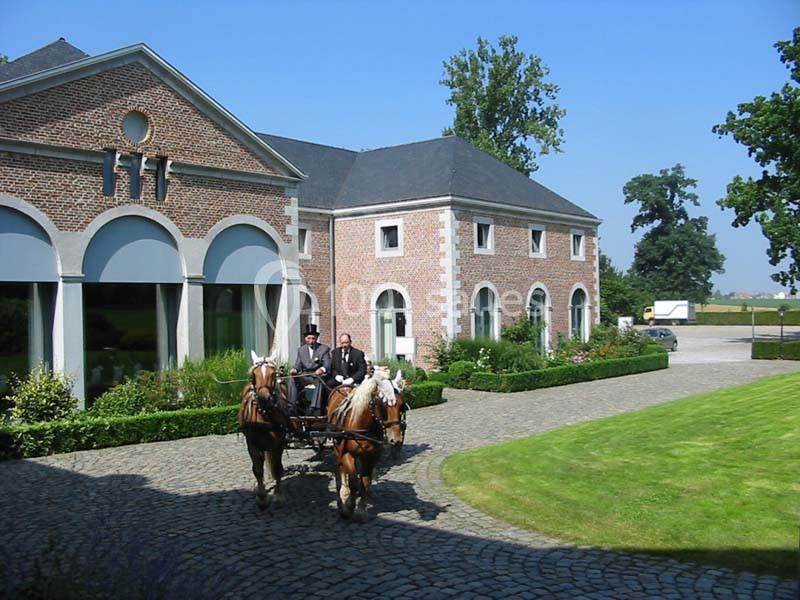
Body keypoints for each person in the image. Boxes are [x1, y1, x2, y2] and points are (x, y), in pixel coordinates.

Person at [288, 323, 331, 416]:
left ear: (316, 338)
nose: (311, 341)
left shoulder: (324, 349)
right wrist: (294, 369)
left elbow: (327, 364)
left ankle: (314, 407)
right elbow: (297, 365)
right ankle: (292, 405)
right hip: (305, 375)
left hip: (317, 376)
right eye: (309, 338)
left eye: (313, 338)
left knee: (320, 380)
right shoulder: (301, 350)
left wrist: (321, 369)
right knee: (293, 379)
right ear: (305, 338)